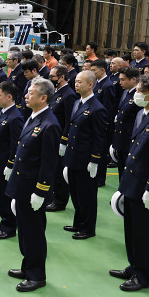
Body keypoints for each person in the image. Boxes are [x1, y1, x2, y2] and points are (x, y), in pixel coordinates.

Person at [5, 78, 60, 292]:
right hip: (23, 185)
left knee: (34, 232)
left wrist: (41, 190)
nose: (26, 95)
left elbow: (48, 163)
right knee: (25, 230)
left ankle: (37, 275)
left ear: (43, 97)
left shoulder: (49, 124)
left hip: (33, 188)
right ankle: (27, 266)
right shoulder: (33, 117)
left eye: (30, 93)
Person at [109, 74, 149, 292]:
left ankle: (143, 275)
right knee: (131, 228)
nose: (137, 95)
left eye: (141, 91)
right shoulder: (142, 114)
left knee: (143, 232)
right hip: (132, 181)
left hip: (143, 185)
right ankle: (134, 266)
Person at [62, 71, 107, 240]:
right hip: (74, 156)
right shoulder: (77, 103)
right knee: (75, 192)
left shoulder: (97, 108)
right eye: (76, 81)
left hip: (86, 159)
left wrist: (95, 159)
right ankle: (78, 222)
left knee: (87, 195)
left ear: (90, 85)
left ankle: (88, 228)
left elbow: (99, 136)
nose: (76, 84)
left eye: (80, 82)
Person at [0, 81, 23, 239]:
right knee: (0, 195)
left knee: (6, 196)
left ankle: (9, 227)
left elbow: (16, 144)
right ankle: (4, 222)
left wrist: (10, 164)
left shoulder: (15, 118)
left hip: (5, 165)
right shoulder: (4, 112)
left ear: (9, 97)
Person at [45, 65, 79, 212]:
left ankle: (60, 201)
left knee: (59, 171)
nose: (50, 78)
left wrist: (64, 140)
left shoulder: (68, 95)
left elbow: (68, 120)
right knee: (52, 169)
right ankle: (54, 196)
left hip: (60, 139)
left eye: (52, 76)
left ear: (61, 77)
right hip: (52, 137)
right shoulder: (57, 92)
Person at [110, 67, 140, 179]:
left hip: (130, 142)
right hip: (121, 141)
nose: (120, 82)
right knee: (122, 171)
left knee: (130, 175)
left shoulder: (139, 96)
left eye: (123, 79)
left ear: (133, 79)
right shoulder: (125, 93)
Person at [91, 59, 117, 186]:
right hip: (95, 123)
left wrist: (104, 124)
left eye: (94, 70)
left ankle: (100, 179)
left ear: (102, 70)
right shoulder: (96, 83)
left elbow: (109, 108)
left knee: (101, 152)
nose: (92, 72)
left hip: (103, 125)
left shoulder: (108, 85)